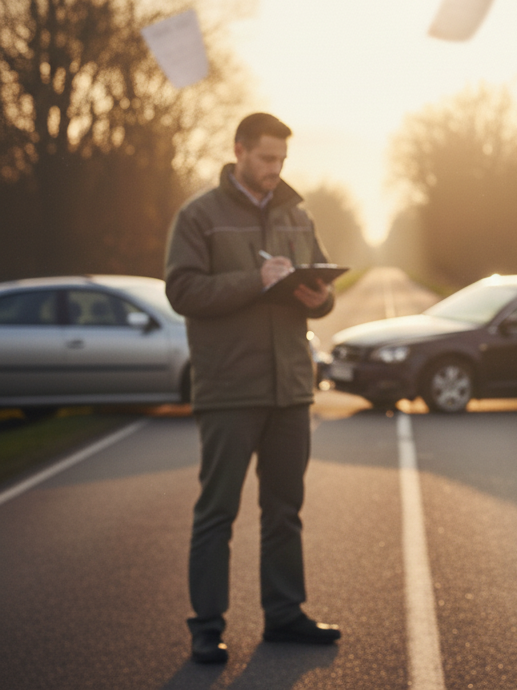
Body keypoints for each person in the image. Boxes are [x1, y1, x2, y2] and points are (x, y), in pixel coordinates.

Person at [166, 112, 341, 664]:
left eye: (282, 159)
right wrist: (254, 281)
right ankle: (206, 627)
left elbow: (322, 286)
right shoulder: (199, 216)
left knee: (285, 509)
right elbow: (182, 291)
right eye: (266, 158)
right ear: (239, 150)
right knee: (217, 512)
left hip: (290, 387)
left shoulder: (296, 213)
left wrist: (322, 298)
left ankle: (285, 614)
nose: (275, 168)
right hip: (229, 388)